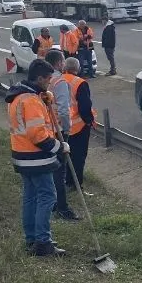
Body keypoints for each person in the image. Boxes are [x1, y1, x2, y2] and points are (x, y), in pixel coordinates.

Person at [6, 58, 70, 257]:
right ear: (39, 78)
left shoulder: (19, 96)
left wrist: (44, 97)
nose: (50, 82)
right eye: (48, 78)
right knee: (47, 196)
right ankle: (43, 242)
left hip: (21, 154)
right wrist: (60, 147)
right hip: (36, 157)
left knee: (30, 197)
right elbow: (37, 135)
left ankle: (32, 239)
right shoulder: (32, 101)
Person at [43, 50, 80, 221]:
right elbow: (64, 110)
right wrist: (66, 130)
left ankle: (53, 203)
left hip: (45, 129)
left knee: (51, 168)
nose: (64, 63)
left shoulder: (45, 80)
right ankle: (62, 207)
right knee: (60, 170)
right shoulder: (60, 82)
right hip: (58, 130)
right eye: (63, 60)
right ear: (58, 63)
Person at [62, 57, 95, 193]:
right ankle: (76, 184)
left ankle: (68, 180)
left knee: (66, 155)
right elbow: (85, 106)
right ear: (78, 68)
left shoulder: (57, 80)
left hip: (61, 126)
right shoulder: (80, 83)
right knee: (79, 156)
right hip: (78, 126)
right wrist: (89, 121)